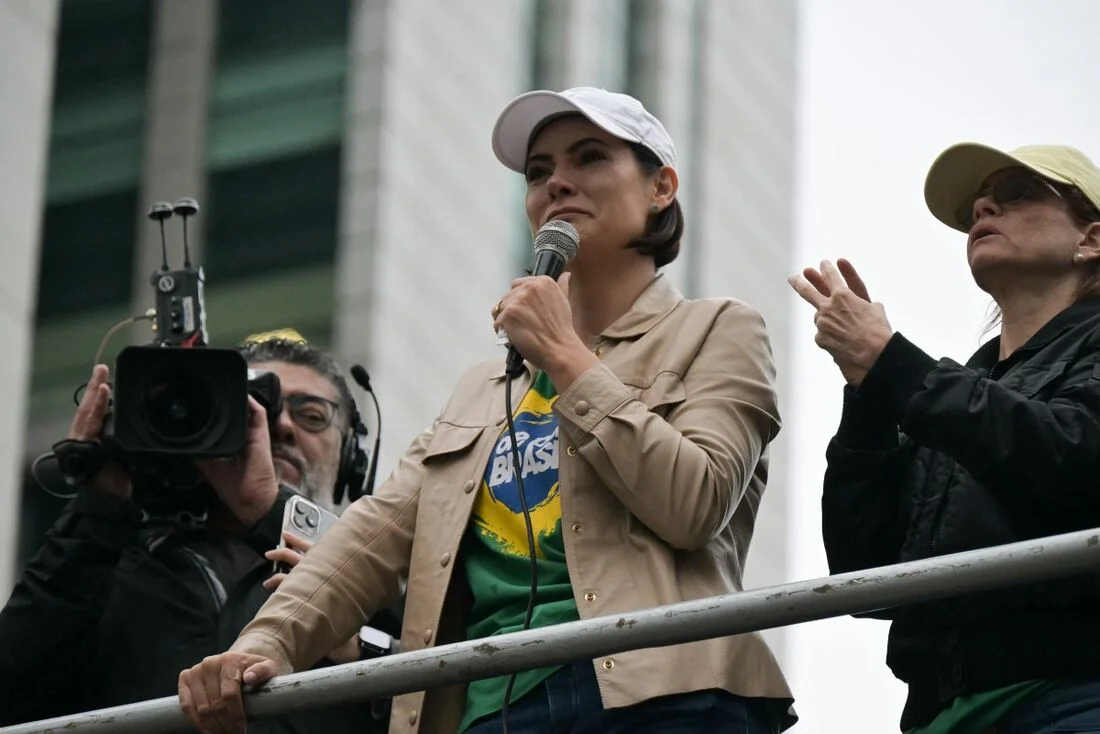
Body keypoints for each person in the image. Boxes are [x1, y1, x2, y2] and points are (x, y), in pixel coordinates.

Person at [178, 86, 796, 734]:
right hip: (489, 711)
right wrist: (262, 644)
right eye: (538, 172)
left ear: (661, 187)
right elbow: (367, 538)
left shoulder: (718, 329)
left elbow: (693, 505)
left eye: (588, 158)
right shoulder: (483, 387)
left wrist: (566, 356)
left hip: (665, 702)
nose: (557, 183)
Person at [790, 143, 1100, 733]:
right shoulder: (956, 388)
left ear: (1091, 240)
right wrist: (869, 393)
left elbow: (1075, 460)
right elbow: (865, 567)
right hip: (941, 714)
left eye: (1018, 193)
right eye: (979, 206)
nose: (984, 205)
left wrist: (894, 368)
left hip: (1074, 698)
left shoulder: (941, 390)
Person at [0, 334, 399, 733]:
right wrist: (97, 507)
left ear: (352, 459)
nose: (279, 426)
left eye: (311, 415)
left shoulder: (382, 576)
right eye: (253, 409)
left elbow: (445, 694)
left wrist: (269, 511)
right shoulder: (109, 570)